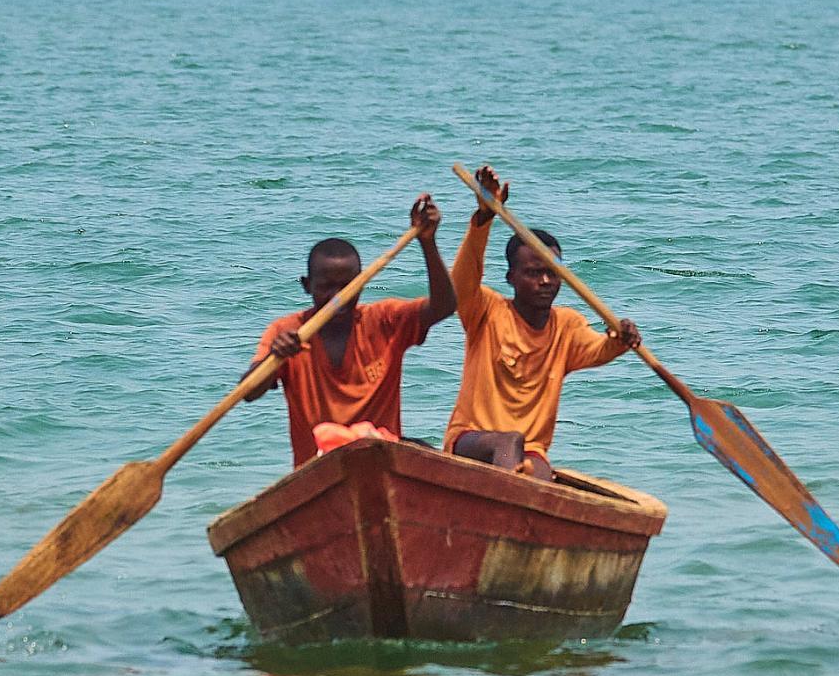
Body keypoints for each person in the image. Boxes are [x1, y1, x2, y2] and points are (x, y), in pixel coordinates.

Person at [444, 166, 641, 483]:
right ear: (511, 278)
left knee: (542, 476)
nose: (546, 281)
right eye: (534, 273)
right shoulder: (486, 311)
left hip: (530, 451)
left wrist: (621, 339)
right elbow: (462, 281)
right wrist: (484, 218)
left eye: (552, 271)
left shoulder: (566, 326)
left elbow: (597, 348)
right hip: (471, 440)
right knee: (508, 441)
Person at [243, 193, 456, 466]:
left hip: (381, 458)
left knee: (427, 456)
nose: (337, 297)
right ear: (307, 285)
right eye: (326, 287)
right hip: (318, 469)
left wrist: (427, 243)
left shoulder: (384, 320)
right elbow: (249, 392)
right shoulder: (287, 331)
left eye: (347, 286)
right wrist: (274, 359)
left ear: (362, 283)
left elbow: (444, 306)